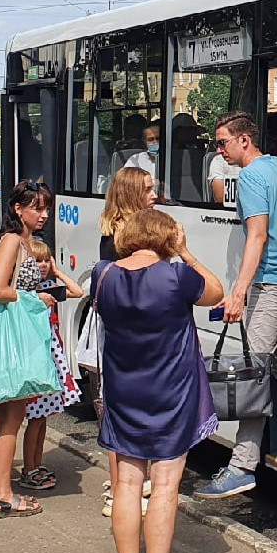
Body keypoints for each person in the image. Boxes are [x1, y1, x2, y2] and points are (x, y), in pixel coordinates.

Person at [92, 208, 224, 553]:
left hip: (123, 391)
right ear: (167, 238)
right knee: (165, 488)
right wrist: (186, 252)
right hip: (170, 392)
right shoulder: (176, 276)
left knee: (126, 485)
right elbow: (216, 292)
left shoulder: (103, 274)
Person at [195, 110, 277, 499]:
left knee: (254, 372)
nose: (219, 151)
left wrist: (238, 292)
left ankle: (242, 467)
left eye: (222, 143)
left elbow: (257, 236)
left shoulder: (250, 175)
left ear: (245, 140)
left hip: (270, 283)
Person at [0, 180, 76, 518]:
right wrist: (36, 296)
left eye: (46, 207)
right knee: (11, 416)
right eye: (36, 207)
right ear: (17, 209)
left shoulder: (22, 242)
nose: (43, 214)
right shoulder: (11, 241)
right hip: (14, 336)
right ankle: (4, 493)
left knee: (6, 415)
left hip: (15, 332)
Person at [96, 166, 159, 517]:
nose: (155, 195)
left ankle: (125, 485)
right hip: (127, 335)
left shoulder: (118, 229)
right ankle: (120, 490)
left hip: (129, 334)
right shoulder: (122, 238)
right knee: (120, 407)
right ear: (132, 194)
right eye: (148, 190)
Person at [17, 237, 85, 491]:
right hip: (37, 359)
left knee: (43, 416)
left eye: (46, 260)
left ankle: (36, 463)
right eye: (37, 261)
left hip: (51, 358)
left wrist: (57, 272)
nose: (43, 265)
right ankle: (28, 468)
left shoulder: (49, 286)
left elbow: (77, 292)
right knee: (34, 417)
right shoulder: (25, 293)